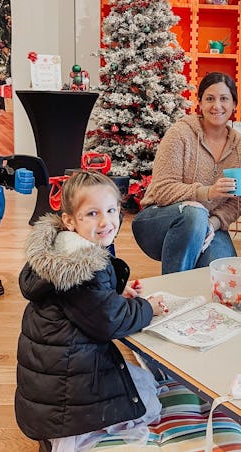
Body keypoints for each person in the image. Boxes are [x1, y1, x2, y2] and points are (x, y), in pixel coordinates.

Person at [15, 171, 166, 447]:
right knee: (150, 402)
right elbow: (110, 321)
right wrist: (147, 307)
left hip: (51, 379)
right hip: (68, 387)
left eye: (111, 210)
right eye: (93, 213)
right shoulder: (82, 267)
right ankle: (71, 436)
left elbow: (89, 304)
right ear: (70, 221)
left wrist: (116, 293)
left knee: (141, 382)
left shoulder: (61, 249)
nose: (106, 221)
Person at [132, 72, 241, 275]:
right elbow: (161, 190)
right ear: (200, 103)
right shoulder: (180, 135)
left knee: (223, 272)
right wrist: (207, 193)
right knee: (195, 213)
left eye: (224, 99)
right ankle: (174, 291)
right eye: (210, 98)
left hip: (208, 223)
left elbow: (236, 203)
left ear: (234, 104)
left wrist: (212, 225)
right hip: (156, 221)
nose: (217, 106)